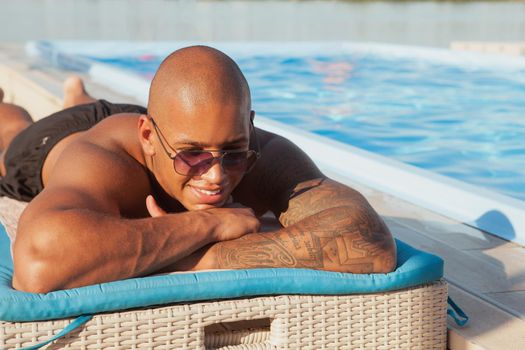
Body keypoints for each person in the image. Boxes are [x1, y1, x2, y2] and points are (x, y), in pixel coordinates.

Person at [0, 46, 396, 294]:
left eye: (233, 152)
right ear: (148, 138)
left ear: (249, 126)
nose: (217, 176)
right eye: (193, 156)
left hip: (158, 120)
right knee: (13, 129)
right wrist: (207, 226)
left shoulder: (262, 149)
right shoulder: (104, 163)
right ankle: (61, 102)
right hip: (52, 144)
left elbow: (369, 242)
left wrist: (189, 257)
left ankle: (80, 94)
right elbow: (38, 263)